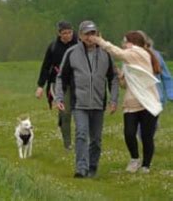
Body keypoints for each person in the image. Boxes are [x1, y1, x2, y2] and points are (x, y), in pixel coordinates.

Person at [90, 31, 162, 174]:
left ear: (133, 42)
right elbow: (125, 85)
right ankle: (134, 159)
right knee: (129, 133)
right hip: (131, 104)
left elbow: (117, 52)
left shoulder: (140, 53)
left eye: (125, 41)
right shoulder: (129, 60)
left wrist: (100, 41)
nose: (123, 44)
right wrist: (120, 76)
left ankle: (146, 165)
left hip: (147, 102)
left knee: (147, 137)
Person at [55, 21, 119, 178]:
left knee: (96, 139)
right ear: (81, 36)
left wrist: (114, 99)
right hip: (79, 103)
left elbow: (113, 78)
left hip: (98, 103)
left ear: (98, 34)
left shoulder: (106, 53)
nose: (90, 37)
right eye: (86, 34)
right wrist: (59, 97)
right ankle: (81, 168)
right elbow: (61, 77)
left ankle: (92, 166)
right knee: (81, 134)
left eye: (93, 33)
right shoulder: (72, 53)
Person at [35, 21, 78, 150]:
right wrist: (40, 86)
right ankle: (67, 144)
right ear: (59, 34)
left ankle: (81, 141)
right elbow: (45, 67)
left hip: (78, 83)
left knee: (79, 112)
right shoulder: (53, 47)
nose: (67, 35)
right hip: (58, 83)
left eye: (69, 32)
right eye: (64, 33)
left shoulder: (79, 45)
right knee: (65, 112)